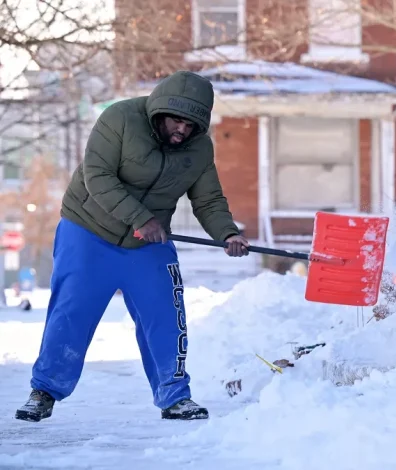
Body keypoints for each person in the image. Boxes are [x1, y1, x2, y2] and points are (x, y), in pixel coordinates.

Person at [14, 70, 250, 422]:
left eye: (191, 125)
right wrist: (141, 218)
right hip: (89, 230)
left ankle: (174, 396)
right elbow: (98, 176)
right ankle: (44, 392)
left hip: (147, 242)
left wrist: (228, 234)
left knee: (166, 314)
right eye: (176, 120)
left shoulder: (199, 148)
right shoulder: (120, 118)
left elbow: (208, 199)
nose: (182, 130)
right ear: (159, 110)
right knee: (72, 313)